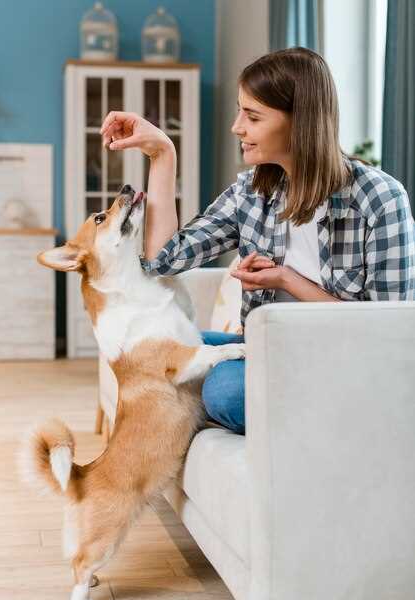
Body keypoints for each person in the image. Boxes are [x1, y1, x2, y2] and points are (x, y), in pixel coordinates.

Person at [100, 47, 415, 436]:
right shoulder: (251, 192)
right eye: (240, 111)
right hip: (264, 348)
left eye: (252, 116)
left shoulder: (379, 198)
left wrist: (287, 280)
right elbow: (164, 259)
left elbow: (390, 332)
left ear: (300, 123)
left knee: (228, 396)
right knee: (149, 347)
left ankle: (328, 415)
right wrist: (163, 155)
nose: (236, 127)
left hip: (341, 362)